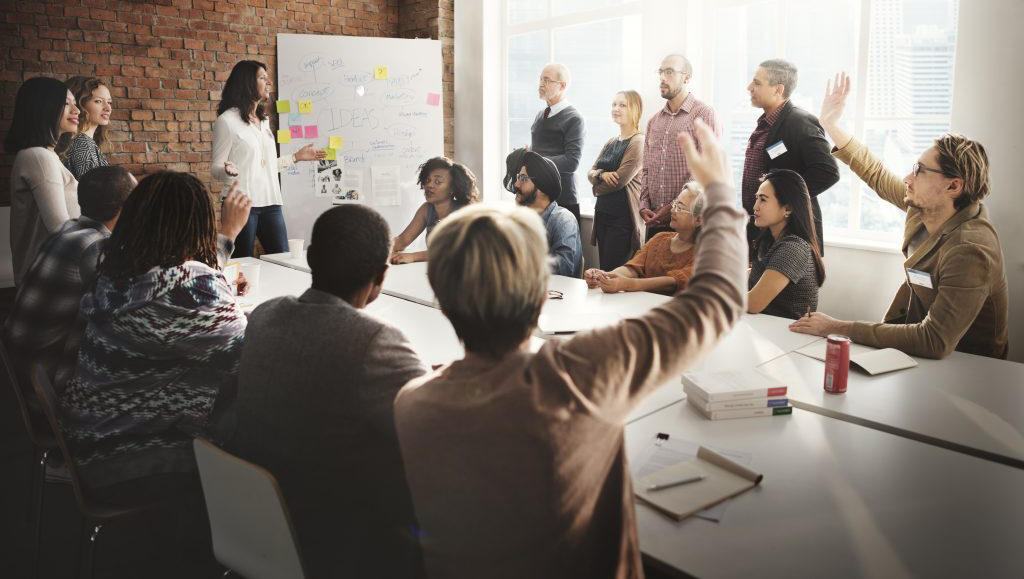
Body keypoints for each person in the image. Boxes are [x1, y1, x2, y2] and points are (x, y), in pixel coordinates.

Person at [394, 119, 746, 577]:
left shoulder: (412, 404)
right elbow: (716, 302)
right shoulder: (580, 374)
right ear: (543, 293)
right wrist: (719, 192)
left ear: (440, 300)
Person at [232, 204, 427, 578]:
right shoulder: (375, 342)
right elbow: (437, 427)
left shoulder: (263, 316)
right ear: (382, 276)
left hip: (255, 518)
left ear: (309, 258)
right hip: (335, 536)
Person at [789, 73, 1009, 360]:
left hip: (970, 367)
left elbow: (934, 340)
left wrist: (837, 327)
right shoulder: (923, 208)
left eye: (919, 170)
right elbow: (876, 174)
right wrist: (831, 124)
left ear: (953, 186)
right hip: (919, 356)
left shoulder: (970, 248)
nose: (908, 178)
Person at [60, 171, 252, 494]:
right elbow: (250, 358)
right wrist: (229, 232)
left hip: (90, 438)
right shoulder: (190, 288)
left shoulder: (117, 273)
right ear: (196, 226)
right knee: (259, 405)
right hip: (125, 457)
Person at [3, 166, 135, 392]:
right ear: (126, 207)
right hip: (51, 391)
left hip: (22, 373)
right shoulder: (96, 247)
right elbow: (127, 322)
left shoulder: (68, 230)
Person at [212, 59, 324, 257]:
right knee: (242, 264)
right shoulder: (227, 121)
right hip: (241, 203)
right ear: (247, 83)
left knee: (283, 259)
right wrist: (226, 170)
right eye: (263, 78)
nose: (269, 83)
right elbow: (216, 168)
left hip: (271, 203)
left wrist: (297, 157)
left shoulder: (263, 121)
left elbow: (266, 166)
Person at [743, 59, 839, 254]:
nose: (749, 87)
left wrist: (784, 200)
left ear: (778, 90)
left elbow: (827, 171)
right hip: (759, 228)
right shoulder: (766, 123)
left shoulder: (800, 122)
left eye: (757, 83)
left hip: (790, 230)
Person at [5, 77, 80, 285]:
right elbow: (61, 229)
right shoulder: (38, 157)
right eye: (67, 103)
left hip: (57, 275)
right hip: (48, 283)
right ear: (43, 107)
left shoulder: (46, 156)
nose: (77, 110)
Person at [638, 54, 718, 241]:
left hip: (689, 223)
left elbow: (705, 170)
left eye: (669, 72)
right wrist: (643, 205)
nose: (662, 78)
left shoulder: (704, 114)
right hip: (654, 221)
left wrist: (674, 206)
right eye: (660, 72)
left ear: (687, 77)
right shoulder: (653, 121)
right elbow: (647, 168)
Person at [584, 181, 705, 295]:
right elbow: (633, 268)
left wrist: (627, 284)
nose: (673, 210)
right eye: (675, 203)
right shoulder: (659, 239)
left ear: (699, 219)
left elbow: (672, 283)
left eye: (680, 207)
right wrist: (604, 276)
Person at [747, 169, 825, 319]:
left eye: (763, 199)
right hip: (761, 329)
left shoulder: (793, 248)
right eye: (756, 198)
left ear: (788, 208)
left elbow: (753, 303)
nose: (755, 206)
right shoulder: (768, 241)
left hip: (787, 337)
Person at [587, 90, 646, 270]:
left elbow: (619, 181)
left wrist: (596, 187)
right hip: (603, 216)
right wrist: (601, 175)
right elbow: (590, 172)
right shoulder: (611, 142)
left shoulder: (638, 142)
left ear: (635, 109)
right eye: (614, 104)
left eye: (622, 105)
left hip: (622, 221)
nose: (616, 109)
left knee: (614, 275)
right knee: (604, 271)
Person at [391, 156, 479, 264]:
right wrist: (377, 248)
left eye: (438, 181)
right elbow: (402, 241)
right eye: (427, 180)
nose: (429, 185)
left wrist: (413, 256)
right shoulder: (426, 209)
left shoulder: (463, 212)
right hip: (438, 271)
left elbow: (452, 251)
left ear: (452, 188)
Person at [530, 63, 584, 225]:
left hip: (563, 198)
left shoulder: (574, 118)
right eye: (540, 79)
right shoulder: (540, 115)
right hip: (537, 195)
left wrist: (536, 161)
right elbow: (539, 151)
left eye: (547, 80)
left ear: (562, 86)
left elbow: (572, 162)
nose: (540, 84)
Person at [513, 151, 582, 277]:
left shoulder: (563, 220)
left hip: (559, 294)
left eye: (523, 179)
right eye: (518, 178)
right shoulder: (524, 219)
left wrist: (516, 264)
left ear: (542, 186)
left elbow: (564, 268)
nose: (516, 184)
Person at [58, 76, 112, 180]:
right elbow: (93, 192)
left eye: (109, 102)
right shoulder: (82, 143)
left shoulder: (84, 142)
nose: (108, 108)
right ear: (80, 104)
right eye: (98, 101)